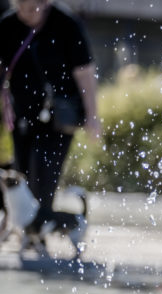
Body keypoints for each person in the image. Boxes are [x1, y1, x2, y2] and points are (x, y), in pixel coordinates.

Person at [0, 0, 98, 246]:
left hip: (58, 118)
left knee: (44, 172)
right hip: (23, 113)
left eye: (33, 8)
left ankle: (37, 233)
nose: (27, 15)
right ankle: (26, 228)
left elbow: (84, 72)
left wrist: (92, 116)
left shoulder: (66, 24)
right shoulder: (8, 25)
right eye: (22, 8)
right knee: (21, 172)